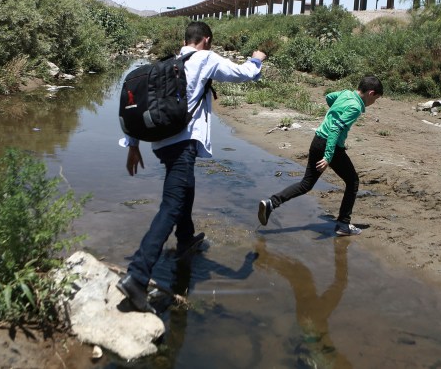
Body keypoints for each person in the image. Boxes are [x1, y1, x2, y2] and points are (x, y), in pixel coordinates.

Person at [117, 21, 266, 313]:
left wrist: (133, 145)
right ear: (206, 40)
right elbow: (243, 74)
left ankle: (185, 241)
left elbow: (142, 102)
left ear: (186, 39)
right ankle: (137, 275)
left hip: (161, 142)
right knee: (172, 204)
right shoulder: (205, 58)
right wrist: (257, 59)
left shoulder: (168, 64)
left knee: (185, 188)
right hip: (183, 144)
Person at [258, 76, 383, 236]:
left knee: (306, 184)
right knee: (352, 182)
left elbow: (329, 97)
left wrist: (335, 111)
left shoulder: (346, 94)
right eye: (376, 99)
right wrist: (328, 157)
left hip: (317, 140)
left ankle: (271, 203)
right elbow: (336, 129)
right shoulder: (355, 107)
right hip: (330, 146)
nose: (374, 103)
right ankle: (343, 224)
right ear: (371, 93)